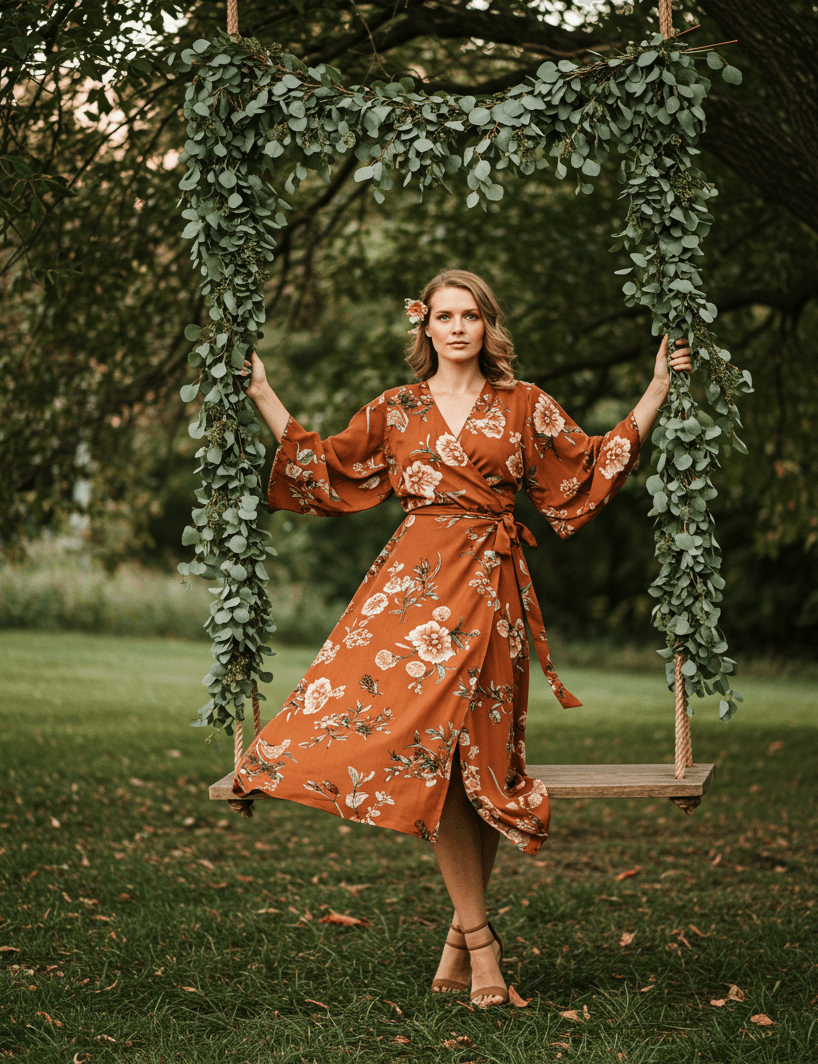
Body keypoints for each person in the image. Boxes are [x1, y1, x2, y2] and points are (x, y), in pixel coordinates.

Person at [232, 268, 691, 1007]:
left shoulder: (524, 405)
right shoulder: (395, 409)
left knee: (483, 768)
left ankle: (457, 942)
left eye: (469, 316)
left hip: (495, 597)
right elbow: (327, 466)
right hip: (412, 600)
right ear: (425, 327)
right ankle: (481, 951)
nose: (455, 328)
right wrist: (259, 390)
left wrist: (658, 388)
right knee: (438, 764)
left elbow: (589, 467)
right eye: (442, 315)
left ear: (487, 327)